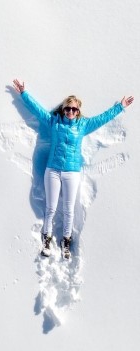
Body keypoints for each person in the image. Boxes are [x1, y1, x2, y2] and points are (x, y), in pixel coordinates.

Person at [12, 79, 134, 260]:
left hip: (72, 172)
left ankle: (66, 241)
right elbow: (37, 110)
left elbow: (102, 118)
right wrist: (23, 93)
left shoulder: (83, 125)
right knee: (51, 207)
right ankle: (47, 238)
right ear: (63, 109)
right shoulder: (54, 122)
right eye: (67, 108)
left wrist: (120, 107)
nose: (70, 112)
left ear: (78, 111)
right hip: (52, 170)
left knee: (69, 209)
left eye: (74, 109)